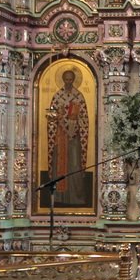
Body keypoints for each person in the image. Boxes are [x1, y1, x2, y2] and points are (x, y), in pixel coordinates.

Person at [47, 69, 90, 208]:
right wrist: (59, 118)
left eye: (71, 79)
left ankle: (76, 198)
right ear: (63, 80)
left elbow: (84, 118)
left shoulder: (79, 96)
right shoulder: (57, 96)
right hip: (60, 137)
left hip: (74, 137)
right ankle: (59, 197)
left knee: (74, 164)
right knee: (59, 164)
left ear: (74, 80)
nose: (68, 82)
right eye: (66, 79)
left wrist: (75, 123)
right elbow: (51, 117)